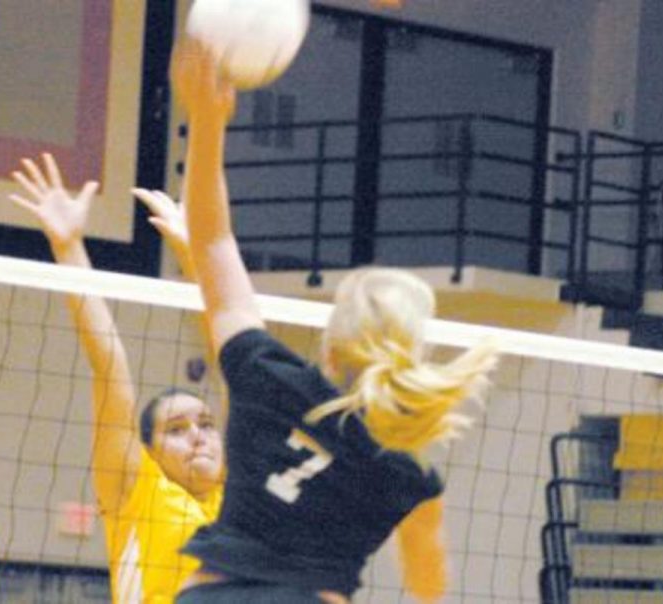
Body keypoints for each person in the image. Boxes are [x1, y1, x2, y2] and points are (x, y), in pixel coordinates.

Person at [169, 39, 498, 604]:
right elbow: (428, 582)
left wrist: (205, 120)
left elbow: (214, 241)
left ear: (330, 348)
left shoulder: (267, 377)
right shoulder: (407, 471)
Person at [9, 155, 224, 603]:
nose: (198, 438)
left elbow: (234, 357)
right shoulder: (135, 487)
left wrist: (193, 255)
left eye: (205, 425)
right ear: (149, 450)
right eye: (177, 430)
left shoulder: (237, 496)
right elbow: (110, 364)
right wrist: (69, 248)